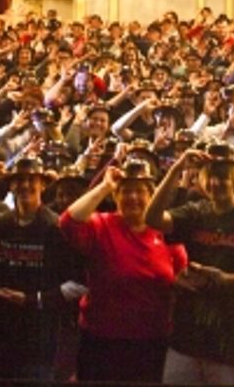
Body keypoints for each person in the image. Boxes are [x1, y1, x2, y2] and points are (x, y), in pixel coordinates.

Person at [147, 142, 234, 385]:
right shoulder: (195, 211)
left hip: (231, 339)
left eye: (222, 177)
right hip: (188, 334)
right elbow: (153, 218)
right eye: (210, 177)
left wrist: (228, 280)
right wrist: (177, 168)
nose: (215, 183)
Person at [59, 158, 187, 384]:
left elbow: (181, 280)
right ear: (116, 197)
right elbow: (68, 222)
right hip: (101, 340)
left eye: (140, 191)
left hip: (151, 342)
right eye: (126, 191)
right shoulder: (101, 225)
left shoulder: (166, 232)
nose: (133, 198)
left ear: (152, 195)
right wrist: (105, 185)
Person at [0, 157, 78, 381]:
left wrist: (33, 300)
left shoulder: (56, 227)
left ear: (43, 184)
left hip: (38, 336)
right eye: (19, 180)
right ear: (11, 185)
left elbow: (78, 284)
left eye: (32, 180)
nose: (25, 185)